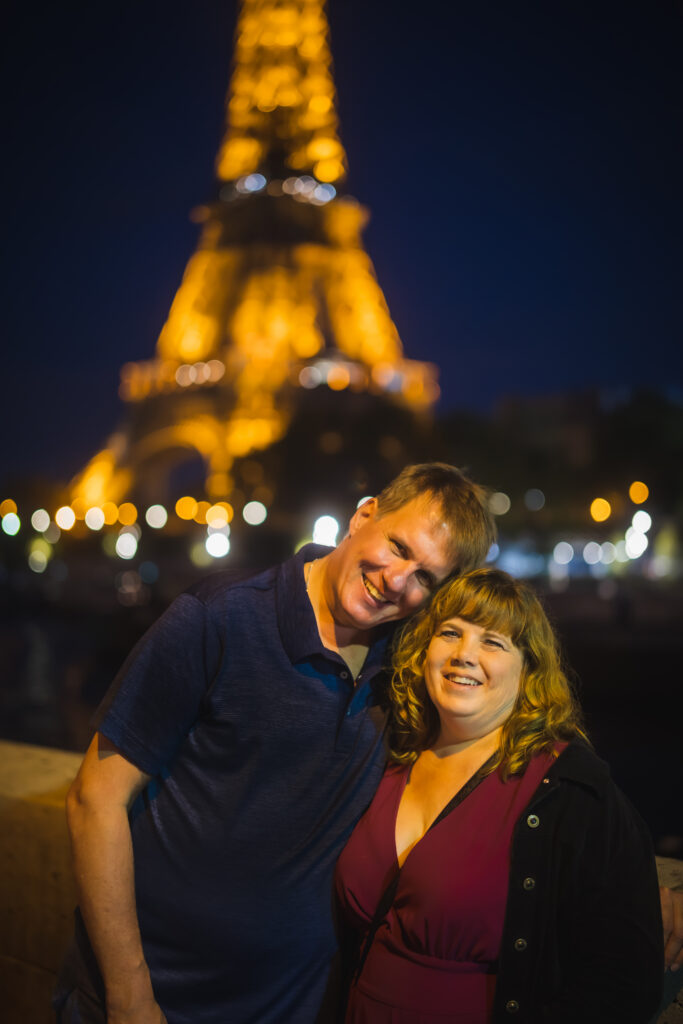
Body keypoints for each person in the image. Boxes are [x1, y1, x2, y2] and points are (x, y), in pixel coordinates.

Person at [54, 464, 497, 1024]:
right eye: (397, 545)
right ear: (364, 516)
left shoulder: (411, 665)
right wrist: (130, 996)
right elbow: (95, 799)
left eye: (426, 577)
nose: (397, 579)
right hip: (148, 1000)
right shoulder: (218, 616)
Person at [336, 567, 664, 1023]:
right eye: (450, 633)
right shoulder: (390, 757)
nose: (464, 655)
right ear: (424, 649)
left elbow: (624, 978)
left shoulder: (566, 788)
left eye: (493, 642)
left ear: (528, 669)